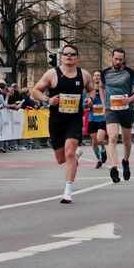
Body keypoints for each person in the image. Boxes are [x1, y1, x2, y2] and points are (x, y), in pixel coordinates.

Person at [32, 44, 94, 203]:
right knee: (61, 159)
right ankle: (75, 156)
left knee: (69, 152)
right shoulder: (52, 74)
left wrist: (90, 99)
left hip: (74, 119)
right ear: (62, 56)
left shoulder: (84, 74)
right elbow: (35, 91)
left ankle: (68, 191)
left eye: (72, 54)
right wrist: (48, 100)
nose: (69, 56)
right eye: (66, 54)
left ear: (77, 57)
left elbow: (91, 89)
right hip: (56, 120)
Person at [100, 47, 134, 183]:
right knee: (112, 138)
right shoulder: (104, 73)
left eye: (120, 59)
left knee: (126, 140)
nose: (117, 61)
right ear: (111, 58)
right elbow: (101, 87)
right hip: (111, 110)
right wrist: (104, 105)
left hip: (126, 110)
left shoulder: (130, 72)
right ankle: (113, 168)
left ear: (124, 60)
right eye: (116, 59)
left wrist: (129, 99)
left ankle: (125, 161)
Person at [88, 70, 107, 169]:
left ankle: (103, 149)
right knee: (94, 141)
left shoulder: (104, 89)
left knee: (100, 139)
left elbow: (108, 101)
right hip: (92, 119)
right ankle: (98, 160)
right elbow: (84, 103)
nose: (96, 77)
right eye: (94, 75)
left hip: (102, 118)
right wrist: (87, 104)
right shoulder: (89, 90)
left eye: (98, 75)